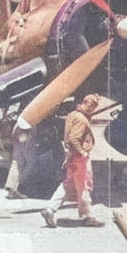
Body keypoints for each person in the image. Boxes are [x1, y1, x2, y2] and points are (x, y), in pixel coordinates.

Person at [41, 94, 104, 228]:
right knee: (85, 186)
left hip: (72, 155)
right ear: (87, 103)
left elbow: (69, 138)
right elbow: (74, 139)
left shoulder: (72, 114)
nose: (93, 109)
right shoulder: (81, 119)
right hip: (80, 157)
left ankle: (50, 209)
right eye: (93, 106)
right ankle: (88, 216)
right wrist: (83, 152)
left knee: (69, 184)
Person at [4, 121, 35, 200]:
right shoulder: (28, 119)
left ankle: (12, 187)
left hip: (18, 138)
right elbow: (23, 138)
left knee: (16, 164)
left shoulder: (19, 121)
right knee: (26, 164)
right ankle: (15, 187)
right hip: (24, 139)